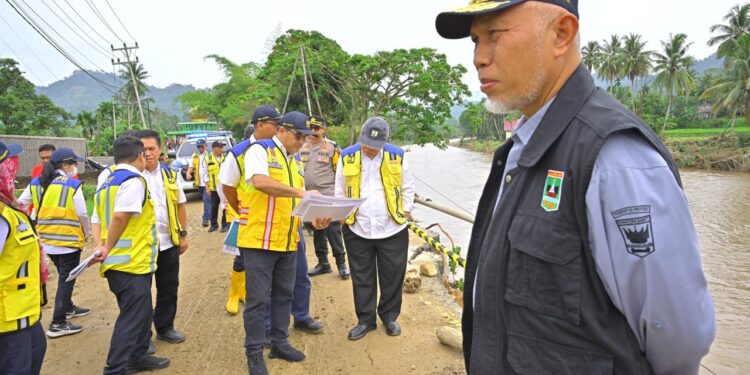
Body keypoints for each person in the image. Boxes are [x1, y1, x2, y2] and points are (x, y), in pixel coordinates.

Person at [434, 1, 716, 374]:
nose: (479, 58)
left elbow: (679, 335)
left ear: (561, 34)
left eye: (495, 35)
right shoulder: (519, 151)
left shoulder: (613, 158)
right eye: (474, 40)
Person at [239, 111, 330, 375]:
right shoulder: (260, 150)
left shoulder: (294, 161)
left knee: (284, 296)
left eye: (306, 137)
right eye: (299, 135)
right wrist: (301, 192)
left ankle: (280, 342)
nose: (302, 142)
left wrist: (315, 218)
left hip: (288, 239)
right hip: (259, 240)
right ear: (282, 130)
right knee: (257, 301)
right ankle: (254, 353)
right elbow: (259, 182)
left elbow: (294, 203)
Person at [91, 136, 170, 374]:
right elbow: (120, 217)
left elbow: (96, 219)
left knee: (142, 312)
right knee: (132, 318)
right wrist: (107, 247)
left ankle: (137, 356)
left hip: (122, 264)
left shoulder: (107, 181)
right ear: (139, 156)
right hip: (130, 263)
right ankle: (115, 369)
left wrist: (101, 246)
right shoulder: (134, 180)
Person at [335, 117, 414, 341]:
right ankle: (365, 320)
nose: (370, 150)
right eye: (367, 145)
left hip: (392, 228)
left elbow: (408, 187)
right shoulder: (347, 155)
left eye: (375, 147)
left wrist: (406, 211)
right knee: (362, 277)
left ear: (386, 141)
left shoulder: (397, 155)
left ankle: (389, 317)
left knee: (392, 276)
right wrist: (341, 216)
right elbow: (339, 189)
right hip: (357, 227)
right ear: (361, 137)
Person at [19, 148, 90, 338]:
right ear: (65, 165)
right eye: (74, 164)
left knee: (63, 276)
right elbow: (82, 213)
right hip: (68, 241)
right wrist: (87, 231)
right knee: (67, 279)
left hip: (45, 242)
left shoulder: (36, 183)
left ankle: (67, 307)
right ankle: (58, 323)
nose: (75, 167)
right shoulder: (72, 185)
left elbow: (20, 204)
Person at [220, 106, 281, 315]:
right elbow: (226, 187)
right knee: (241, 257)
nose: (279, 128)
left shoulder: (278, 151)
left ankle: (247, 293)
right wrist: (238, 210)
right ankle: (234, 294)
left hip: (272, 219)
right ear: (260, 125)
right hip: (245, 217)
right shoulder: (238, 153)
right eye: (275, 124)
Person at [135, 130, 189, 347]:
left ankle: (165, 327)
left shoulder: (170, 174)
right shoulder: (132, 175)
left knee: (168, 287)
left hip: (168, 243)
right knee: (142, 293)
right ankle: (143, 337)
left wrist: (183, 235)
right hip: (142, 246)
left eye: (152, 148)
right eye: (143, 149)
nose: (148, 153)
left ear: (159, 150)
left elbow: (180, 204)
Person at [0, 141, 47, 375]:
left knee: (35, 352)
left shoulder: (10, 208)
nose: (13, 172)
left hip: (24, 313)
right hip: (6, 320)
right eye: (8, 165)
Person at [300, 116, 350, 280]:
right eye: (311, 128)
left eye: (317, 128)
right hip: (310, 197)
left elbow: (341, 173)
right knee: (317, 232)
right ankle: (323, 264)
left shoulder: (332, 148)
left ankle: (341, 264)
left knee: (333, 231)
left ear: (323, 130)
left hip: (328, 196)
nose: (313, 131)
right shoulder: (302, 147)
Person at [186, 139, 211, 227]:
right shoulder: (195, 155)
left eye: (201, 146)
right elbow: (191, 166)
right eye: (198, 147)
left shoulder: (210, 155)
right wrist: (188, 173)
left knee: (206, 199)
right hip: (199, 183)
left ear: (206, 146)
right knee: (207, 200)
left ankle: (206, 219)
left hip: (208, 182)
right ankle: (211, 214)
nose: (200, 148)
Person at [207, 140, 227, 233]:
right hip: (214, 188)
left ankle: (225, 224)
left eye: (222, 147)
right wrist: (207, 187)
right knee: (214, 207)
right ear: (214, 148)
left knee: (225, 206)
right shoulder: (208, 158)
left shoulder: (226, 157)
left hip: (224, 187)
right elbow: (205, 173)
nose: (221, 149)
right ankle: (214, 225)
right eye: (219, 147)